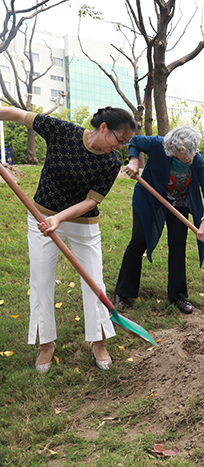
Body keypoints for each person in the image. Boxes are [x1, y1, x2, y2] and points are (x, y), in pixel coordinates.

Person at [3, 106, 137, 373]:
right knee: (41, 280)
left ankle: (98, 341)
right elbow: (17, 115)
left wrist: (60, 219)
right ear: (103, 128)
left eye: (125, 144)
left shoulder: (111, 163)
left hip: (82, 225)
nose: (120, 148)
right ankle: (46, 344)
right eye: (119, 140)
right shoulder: (61, 131)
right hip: (41, 217)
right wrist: (51, 219)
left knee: (94, 282)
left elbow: (91, 201)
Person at [114, 126, 204, 315]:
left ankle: (178, 295)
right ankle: (123, 292)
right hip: (150, 198)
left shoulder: (197, 161)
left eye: (192, 154)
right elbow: (135, 141)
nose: (189, 158)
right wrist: (134, 162)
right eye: (184, 155)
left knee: (178, 245)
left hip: (180, 203)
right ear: (174, 150)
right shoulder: (158, 144)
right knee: (139, 241)